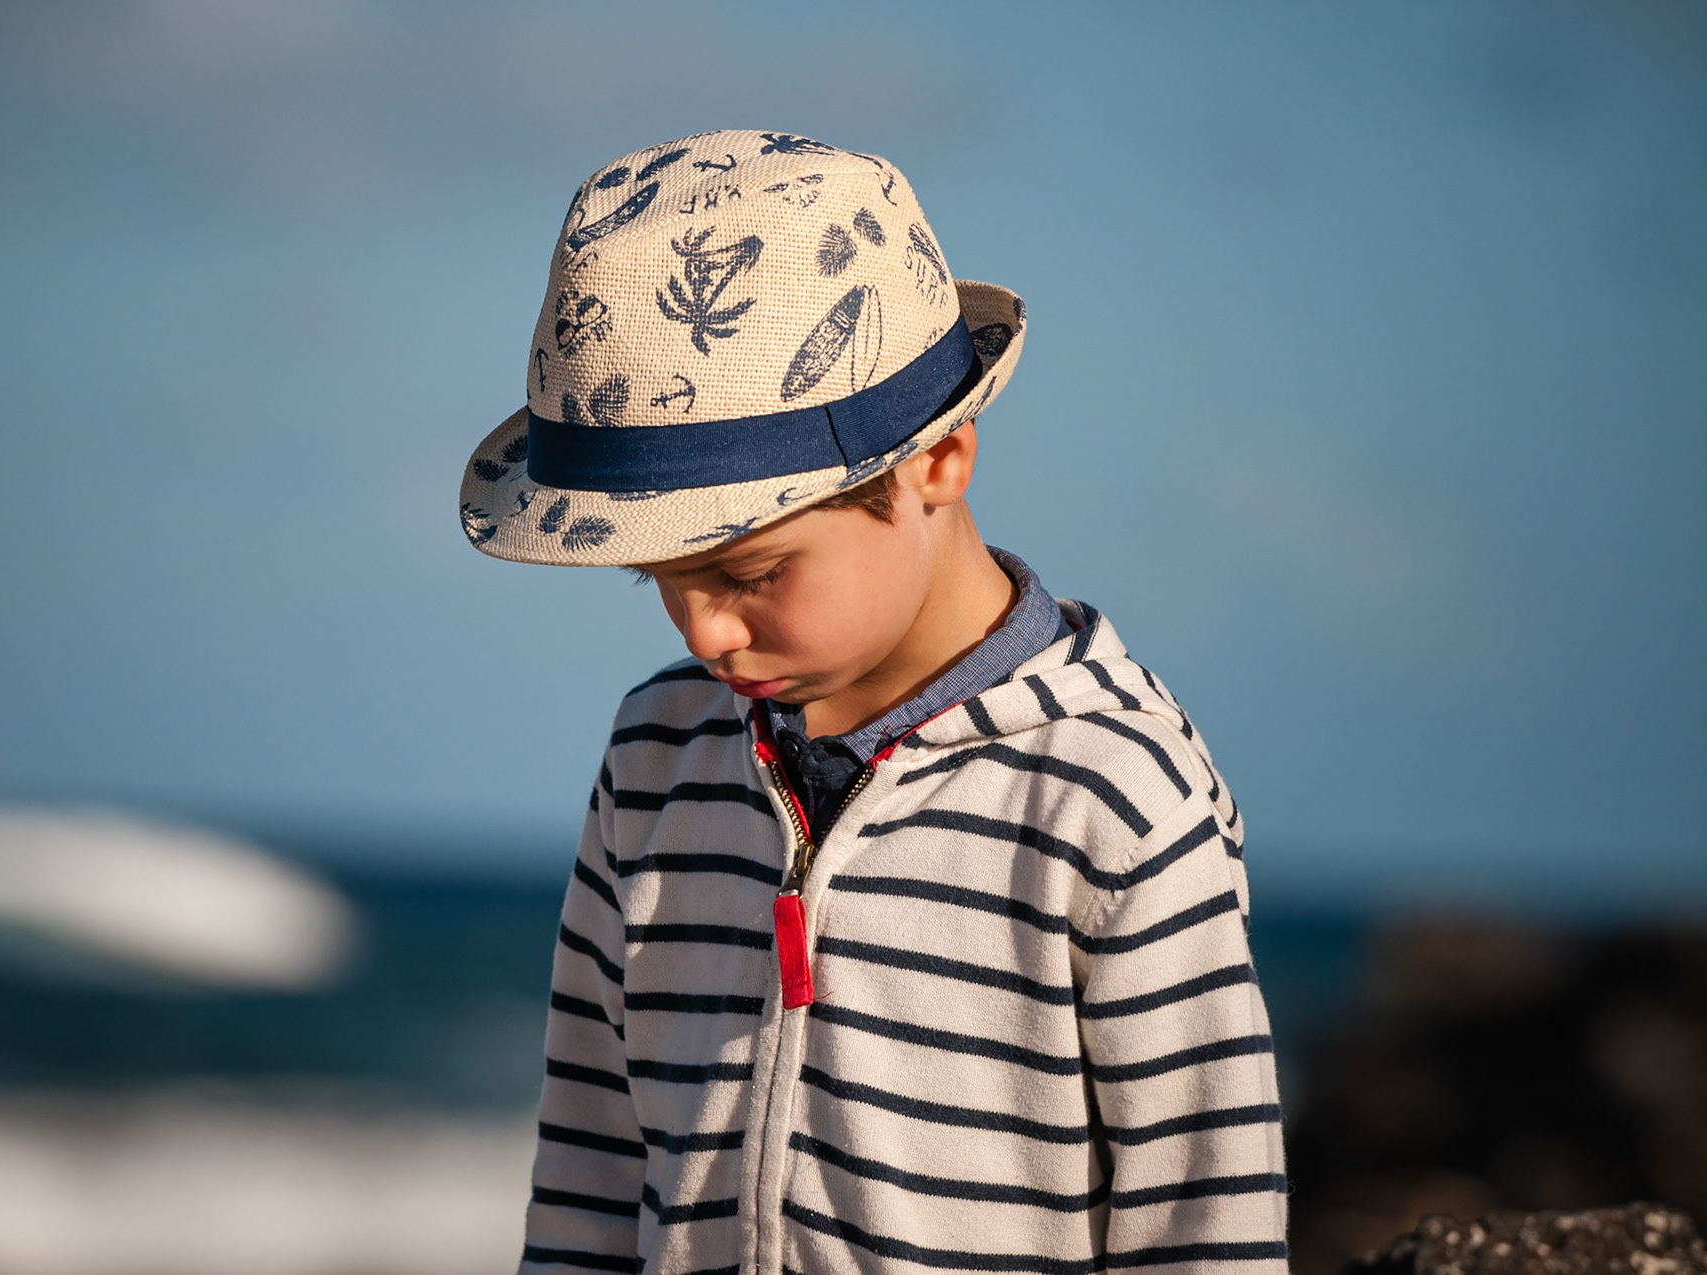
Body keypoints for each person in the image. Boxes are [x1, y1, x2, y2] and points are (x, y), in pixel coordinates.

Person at [457, 130, 1288, 1275]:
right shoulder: (659, 754)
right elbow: (589, 1171)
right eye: (657, 580)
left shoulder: (1109, 795)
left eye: (751, 573)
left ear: (937, 462)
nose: (705, 634)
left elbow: (1207, 1228)